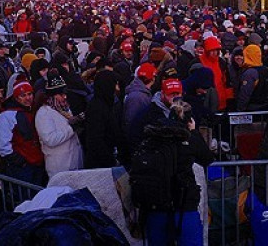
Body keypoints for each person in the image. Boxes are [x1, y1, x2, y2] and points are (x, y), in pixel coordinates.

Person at [133, 102, 213, 246]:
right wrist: (194, 132)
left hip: (155, 206)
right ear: (189, 121)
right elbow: (207, 158)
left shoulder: (151, 140)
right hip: (184, 206)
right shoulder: (189, 140)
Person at [0, 79, 45, 185]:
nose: (27, 98)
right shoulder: (7, 116)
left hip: (38, 163)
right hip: (23, 168)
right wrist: (20, 161)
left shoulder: (33, 110)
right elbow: (3, 145)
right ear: (16, 97)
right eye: (23, 95)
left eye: (29, 94)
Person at [35, 71, 84, 178]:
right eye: (61, 94)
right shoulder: (44, 113)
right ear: (52, 96)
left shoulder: (64, 108)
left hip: (74, 163)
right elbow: (50, 139)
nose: (65, 97)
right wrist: (71, 128)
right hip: (60, 167)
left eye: (65, 94)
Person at [85, 69, 120, 168]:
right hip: (99, 163)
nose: (116, 88)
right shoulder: (97, 107)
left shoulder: (106, 103)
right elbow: (96, 139)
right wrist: (110, 160)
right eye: (114, 84)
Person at [236, 44, 268, 111]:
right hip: (266, 106)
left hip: (252, 108)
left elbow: (245, 94)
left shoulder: (250, 73)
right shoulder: (266, 69)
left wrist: (240, 110)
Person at [199, 36, 232, 111]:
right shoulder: (199, 62)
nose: (214, 53)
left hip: (222, 100)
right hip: (207, 101)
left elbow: (226, 81)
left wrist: (229, 99)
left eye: (216, 50)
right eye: (212, 50)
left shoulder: (221, 62)